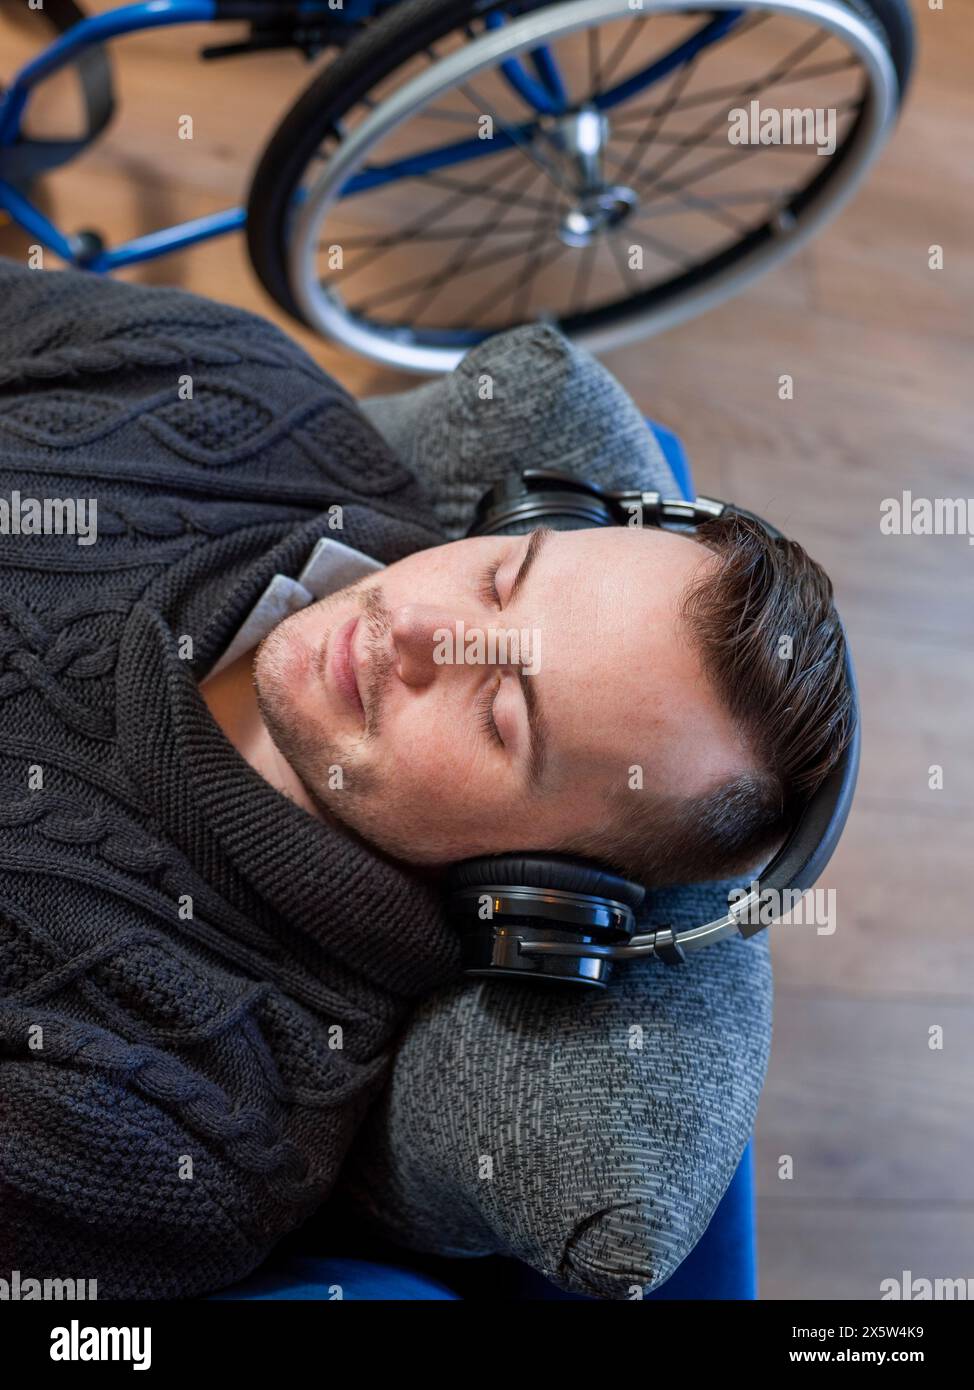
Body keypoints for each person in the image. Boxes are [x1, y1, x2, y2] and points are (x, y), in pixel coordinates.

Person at [0, 259, 850, 1299]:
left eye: (500, 715)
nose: (413, 629)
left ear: (535, 892)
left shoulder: (166, 1124)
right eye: (502, 578)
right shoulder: (237, 384)